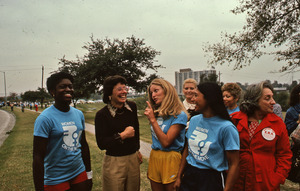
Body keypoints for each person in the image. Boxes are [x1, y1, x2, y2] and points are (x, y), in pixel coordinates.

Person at [174, 82, 240, 191]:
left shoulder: (227, 128)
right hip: (190, 175)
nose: (192, 99)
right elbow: (187, 149)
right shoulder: (194, 120)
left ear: (209, 99)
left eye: (196, 95)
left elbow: (234, 164)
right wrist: (179, 177)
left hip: (211, 180)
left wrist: (227, 189)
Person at [33, 72, 93, 191]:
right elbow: (38, 156)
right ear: (52, 91)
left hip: (78, 172)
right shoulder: (45, 119)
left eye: (70, 86)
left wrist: (88, 174)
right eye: (62, 86)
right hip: (56, 178)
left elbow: (84, 145)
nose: (68, 89)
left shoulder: (78, 114)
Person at [231, 81, 292, 191]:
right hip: (237, 180)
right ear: (254, 100)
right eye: (267, 98)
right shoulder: (234, 119)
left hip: (265, 183)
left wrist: (277, 178)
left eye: (272, 97)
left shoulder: (277, 124)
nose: (273, 102)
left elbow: (284, 155)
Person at [95, 75, 142, 191]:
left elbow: (137, 129)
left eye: (125, 88)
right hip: (114, 162)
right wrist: (122, 135)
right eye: (119, 89)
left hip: (133, 160)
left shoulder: (132, 107)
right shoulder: (102, 115)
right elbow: (101, 144)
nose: (124, 92)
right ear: (109, 93)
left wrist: (137, 150)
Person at [144, 78, 188, 191]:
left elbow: (166, 142)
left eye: (156, 91)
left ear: (167, 91)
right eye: (151, 92)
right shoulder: (157, 113)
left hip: (171, 158)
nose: (153, 95)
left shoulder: (179, 114)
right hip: (155, 156)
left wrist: (153, 120)